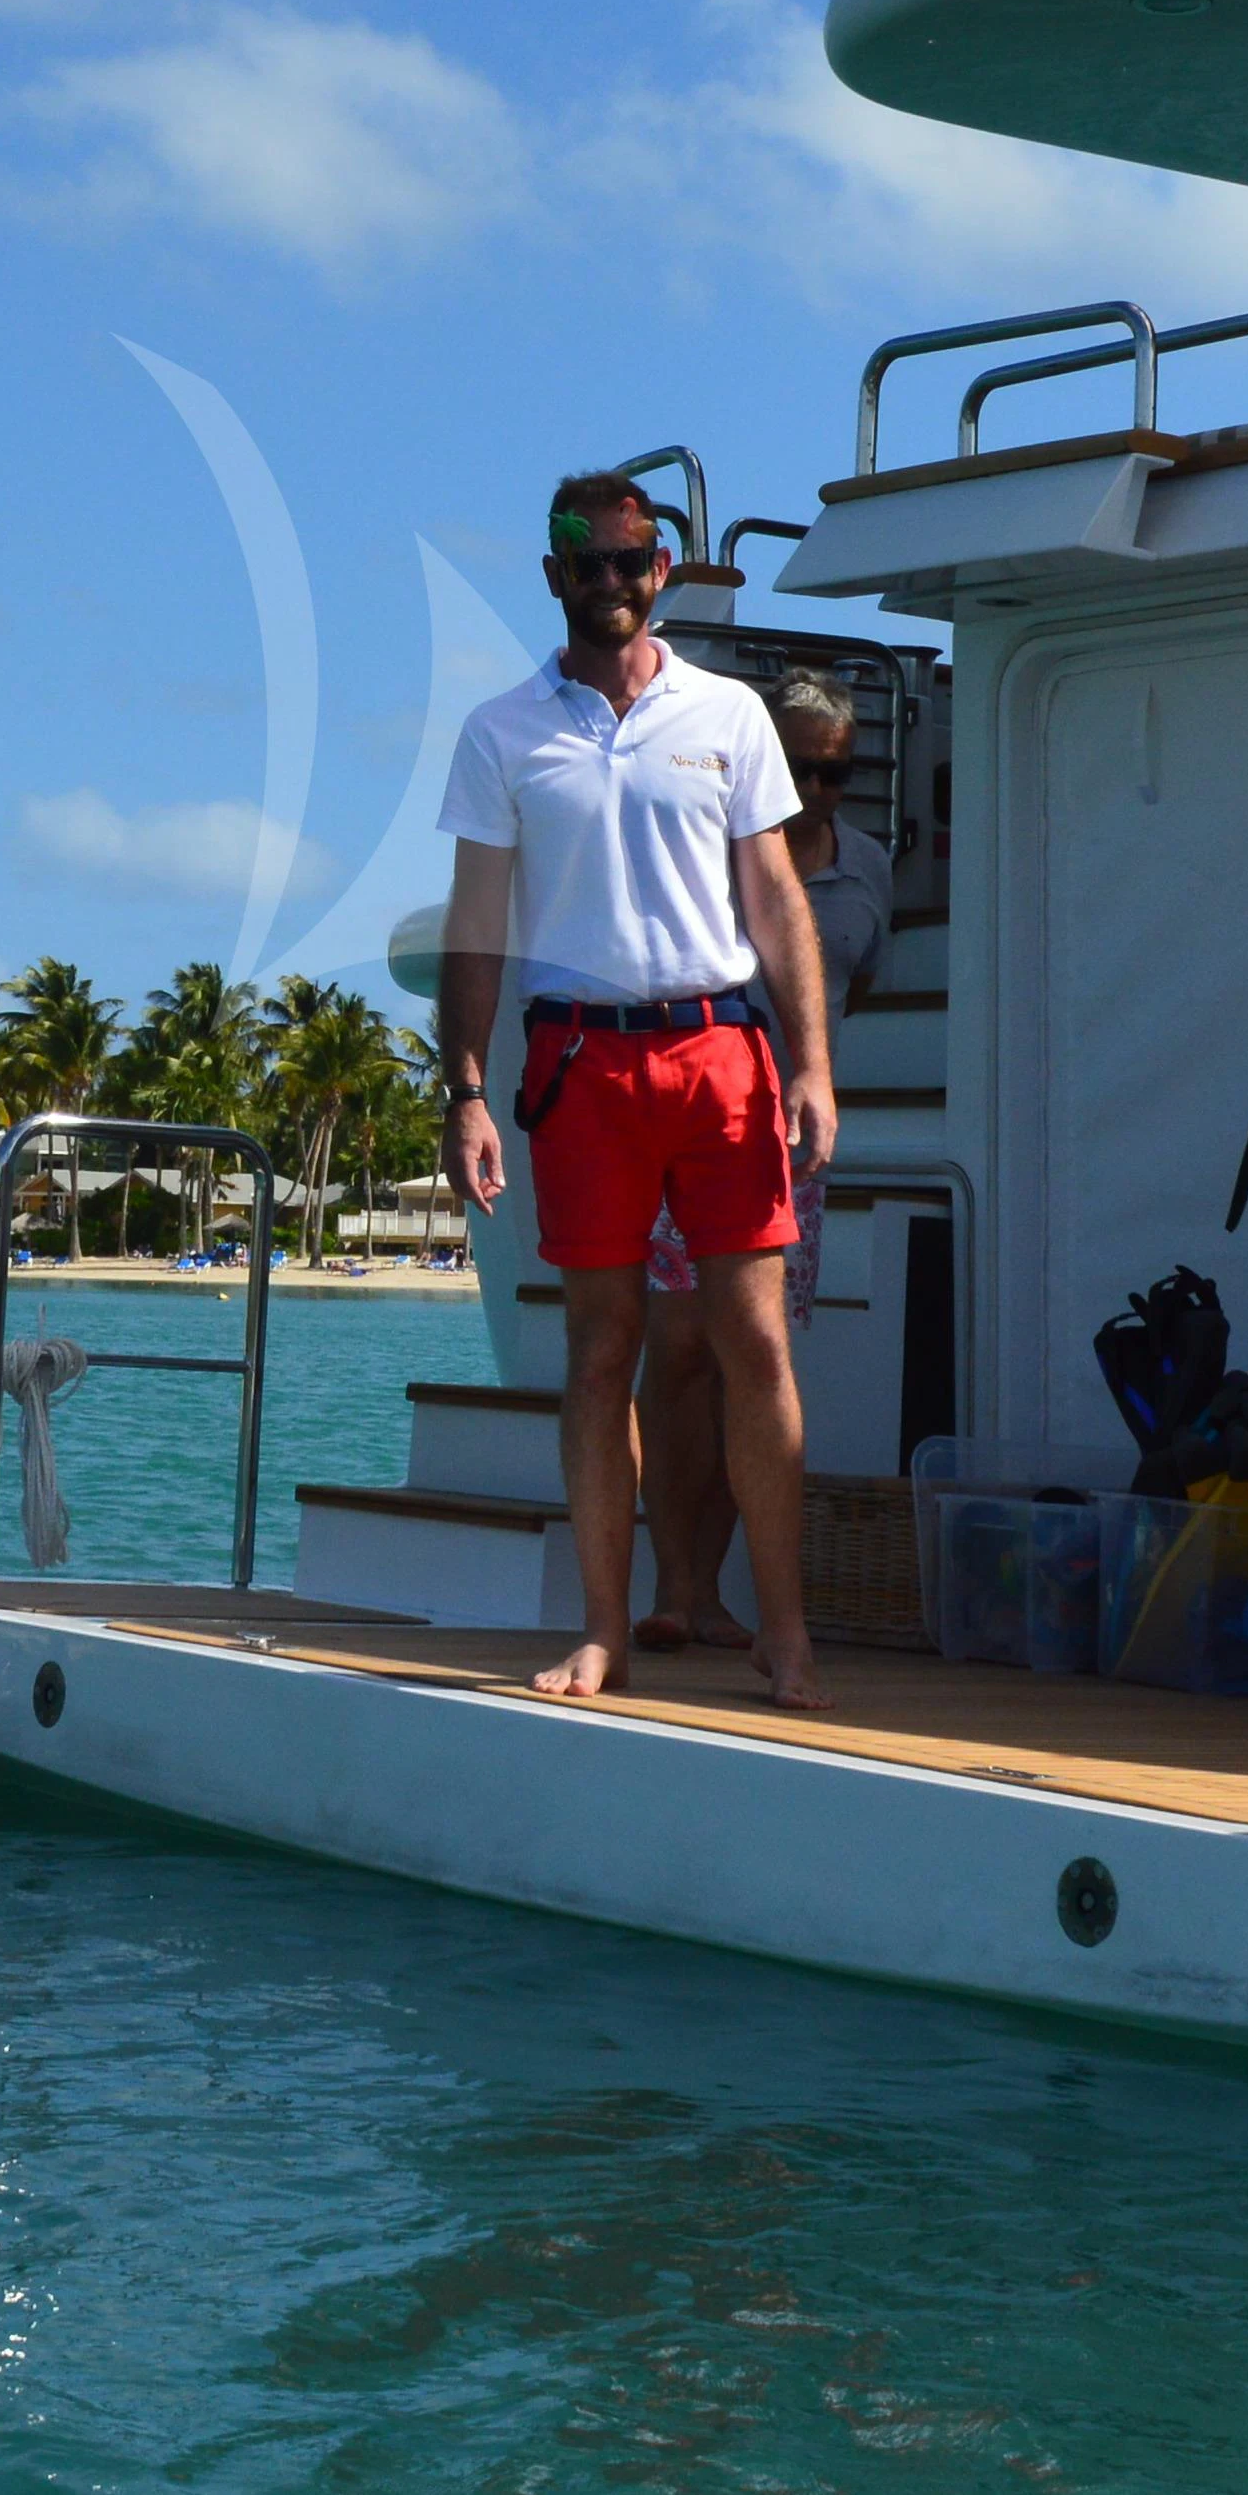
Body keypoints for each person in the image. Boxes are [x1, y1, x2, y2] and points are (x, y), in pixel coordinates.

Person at [434, 467, 840, 1708]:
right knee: (600, 1346)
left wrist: (814, 1064)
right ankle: (604, 1628)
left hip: (721, 1052)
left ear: (659, 569)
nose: (610, 579)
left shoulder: (728, 713)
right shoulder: (502, 731)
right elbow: (476, 925)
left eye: (630, 558)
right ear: (553, 574)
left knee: (756, 1340)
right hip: (579, 1062)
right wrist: (463, 1089)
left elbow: (774, 896)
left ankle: (783, 1630)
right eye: (586, 560)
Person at [621, 668, 893, 1652]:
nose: (820, 791)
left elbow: (855, 977)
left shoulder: (867, 865)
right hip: (691, 1123)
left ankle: (709, 1591)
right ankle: (674, 1581)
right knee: (679, 1352)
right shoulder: (707, 852)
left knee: (751, 1359)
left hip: (787, 1148)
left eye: (838, 772)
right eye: (803, 769)